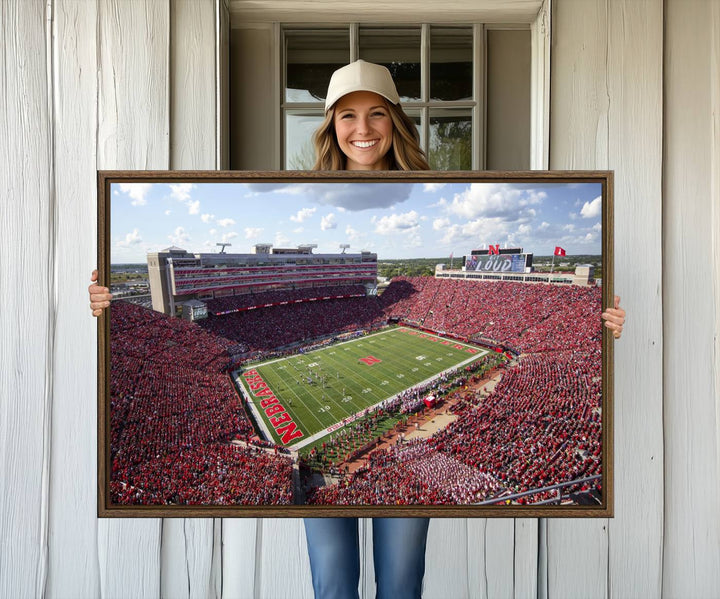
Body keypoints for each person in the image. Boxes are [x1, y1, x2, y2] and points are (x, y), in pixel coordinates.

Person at [88, 60, 626, 599]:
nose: (362, 129)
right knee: (334, 581)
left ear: (395, 121)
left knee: (400, 581)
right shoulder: (298, 187)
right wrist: (105, 302)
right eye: (347, 115)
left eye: (376, 114)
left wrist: (600, 320)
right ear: (330, 125)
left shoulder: (444, 184)